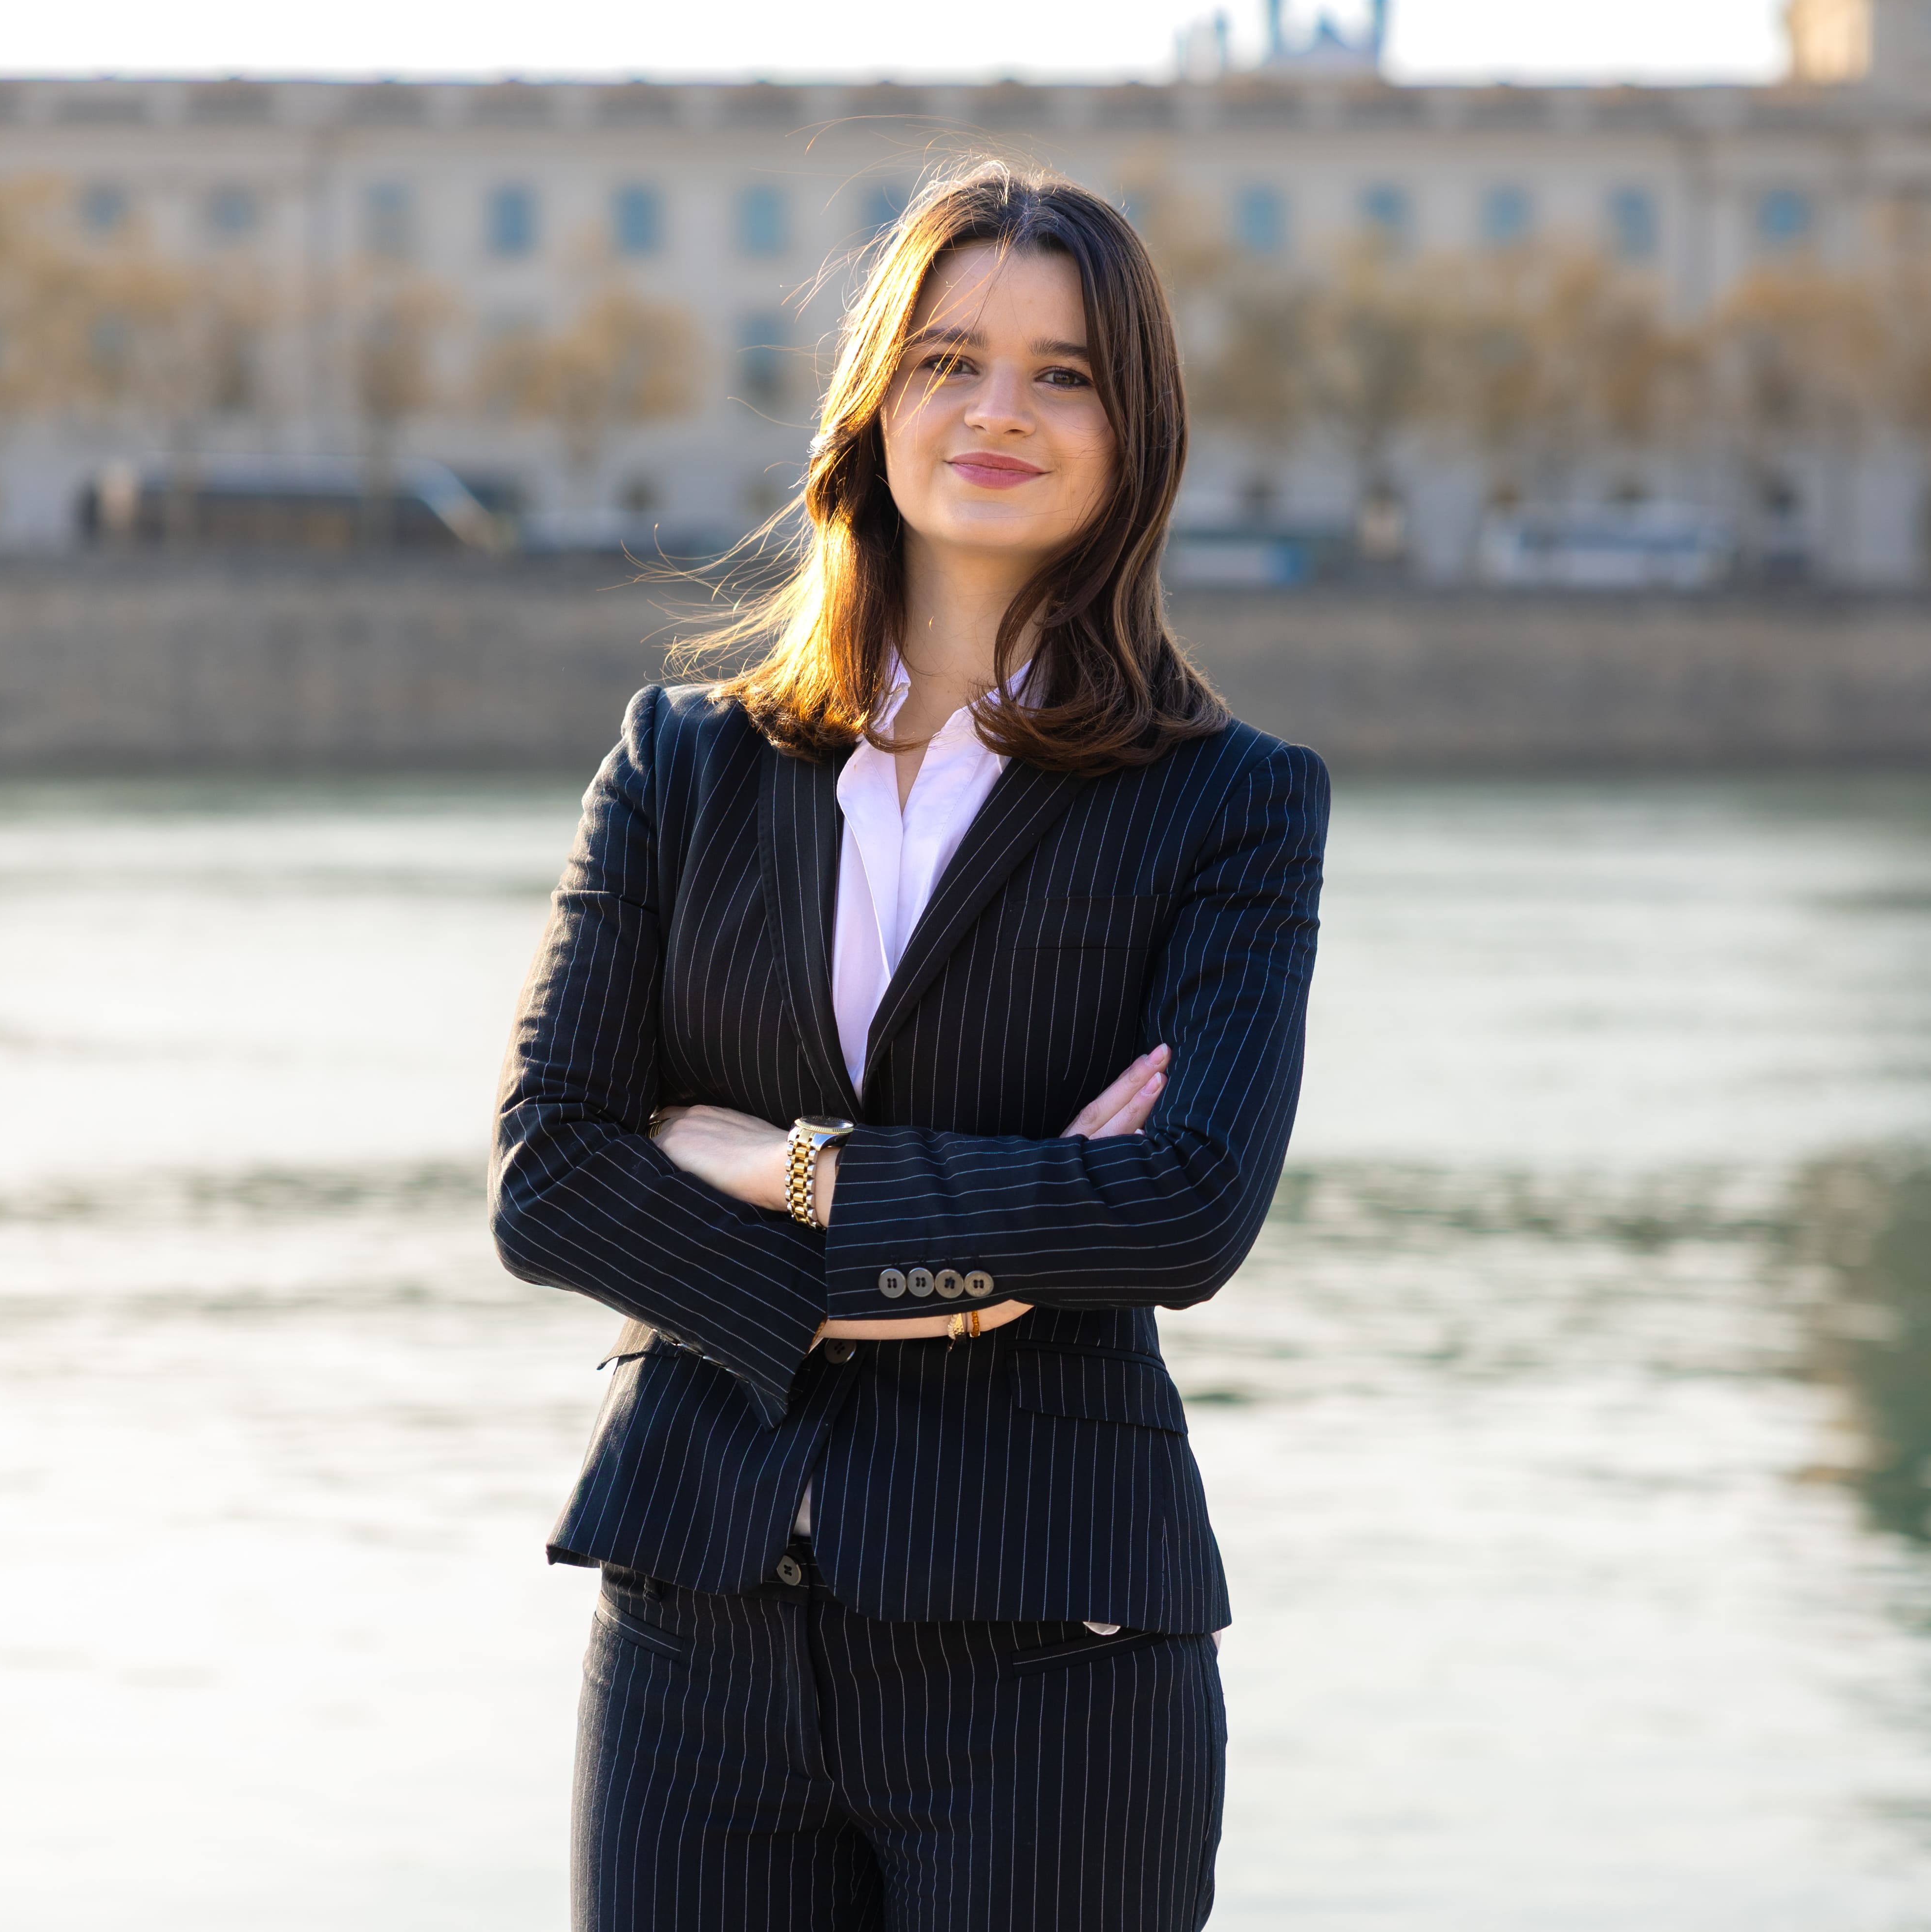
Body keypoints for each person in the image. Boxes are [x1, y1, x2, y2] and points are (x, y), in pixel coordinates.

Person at [490, 158, 1329, 1932]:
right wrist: (930, 1268)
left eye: (1063, 372)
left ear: (1134, 431)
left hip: (1053, 1649)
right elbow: (550, 1179)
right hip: (693, 1631)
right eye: (949, 360)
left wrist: (784, 1167)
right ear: (874, 403)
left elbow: (1183, 1213)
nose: (998, 410)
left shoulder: (1230, 807)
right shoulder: (680, 766)